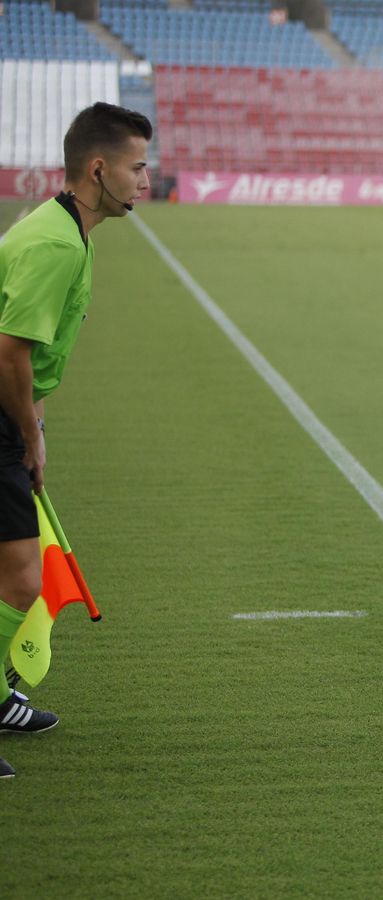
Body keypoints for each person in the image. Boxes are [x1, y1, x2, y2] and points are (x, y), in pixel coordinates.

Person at [0, 102, 152, 779]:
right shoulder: (57, 242)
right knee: (23, 581)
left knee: (14, 573)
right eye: (137, 166)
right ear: (99, 168)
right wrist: (30, 435)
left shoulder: (65, 229)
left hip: (10, 416)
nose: (147, 180)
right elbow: (8, 352)